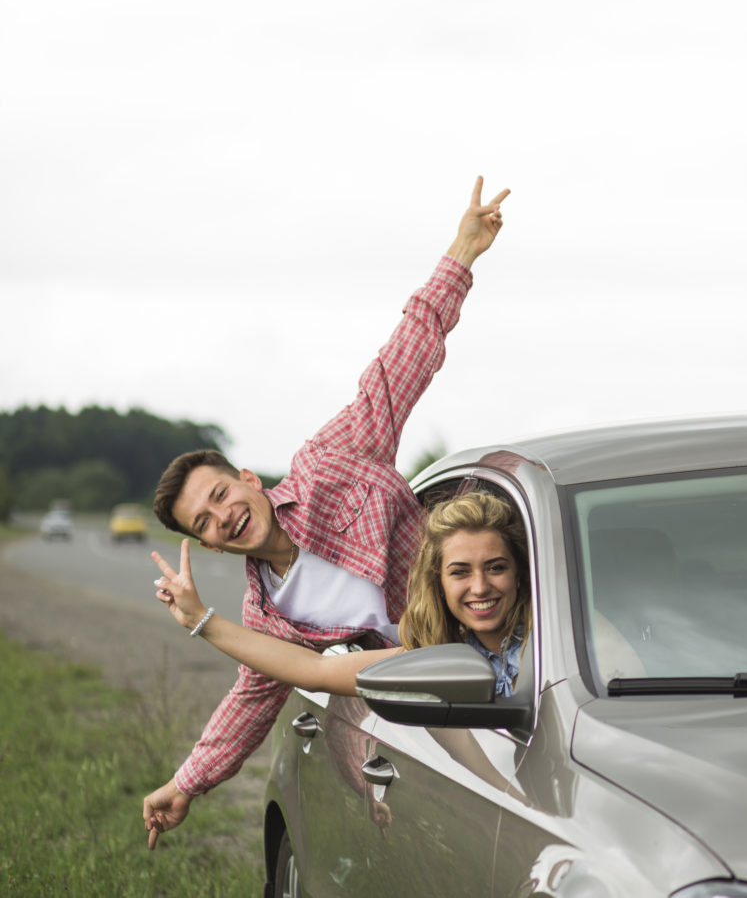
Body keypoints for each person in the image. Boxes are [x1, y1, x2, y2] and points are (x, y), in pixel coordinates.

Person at [140, 177, 508, 849]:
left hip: (493, 614)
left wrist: (462, 253)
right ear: (212, 546)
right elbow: (248, 705)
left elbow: (397, 371)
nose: (220, 517)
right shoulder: (267, 617)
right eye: (203, 523)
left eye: (220, 495)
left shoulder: (327, 464)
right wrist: (185, 782)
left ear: (248, 479)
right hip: (426, 678)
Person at [149, 489, 645, 698]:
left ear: (520, 572)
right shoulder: (431, 657)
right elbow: (314, 670)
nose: (479, 587)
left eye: (496, 567)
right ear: (438, 582)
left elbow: (628, 694)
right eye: (460, 572)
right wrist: (202, 620)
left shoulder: (570, 631)